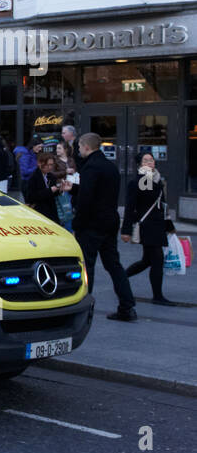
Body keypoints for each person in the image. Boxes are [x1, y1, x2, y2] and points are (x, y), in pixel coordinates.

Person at [73, 132, 136, 321]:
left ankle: (85, 310)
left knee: (87, 266)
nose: (78, 151)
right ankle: (127, 306)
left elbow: (86, 199)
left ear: (86, 147)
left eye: (79, 148)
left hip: (92, 223)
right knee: (114, 265)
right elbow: (101, 193)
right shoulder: (109, 166)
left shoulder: (91, 167)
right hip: (110, 221)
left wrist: (78, 224)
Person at [121, 153, 174, 305]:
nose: (149, 162)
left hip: (157, 224)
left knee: (147, 261)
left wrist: (170, 226)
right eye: (145, 160)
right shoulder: (145, 180)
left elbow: (162, 205)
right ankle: (158, 297)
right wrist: (126, 230)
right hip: (148, 225)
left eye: (151, 159)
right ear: (139, 165)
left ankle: (121, 278)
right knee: (157, 259)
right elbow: (131, 207)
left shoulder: (156, 178)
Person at [24, 151, 66, 223]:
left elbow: (53, 194)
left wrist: (60, 190)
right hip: (39, 212)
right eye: (47, 165)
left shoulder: (51, 176)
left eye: (51, 165)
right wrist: (50, 191)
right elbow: (31, 197)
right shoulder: (34, 177)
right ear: (40, 163)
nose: (50, 167)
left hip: (51, 212)